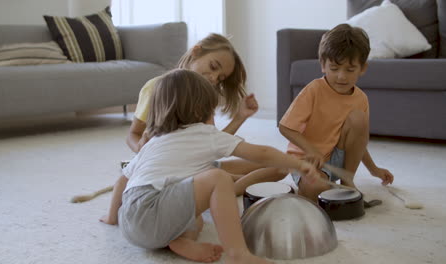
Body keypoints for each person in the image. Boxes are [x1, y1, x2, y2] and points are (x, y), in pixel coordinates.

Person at [102, 69, 318, 263]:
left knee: (194, 213)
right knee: (217, 178)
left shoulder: (154, 143)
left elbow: (123, 180)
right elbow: (260, 153)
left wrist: (112, 217)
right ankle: (238, 255)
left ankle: (179, 239)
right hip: (151, 213)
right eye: (212, 112)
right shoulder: (205, 134)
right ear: (200, 112)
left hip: (129, 222)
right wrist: (298, 163)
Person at [125, 33, 287, 195]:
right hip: (168, 169)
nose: (214, 78)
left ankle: (232, 184)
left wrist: (240, 116)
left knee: (278, 167)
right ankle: (233, 186)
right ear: (196, 51)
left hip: (198, 164)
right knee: (227, 178)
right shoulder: (157, 87)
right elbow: (133, 134)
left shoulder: (204, 96)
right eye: (213, 67)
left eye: (220, 78)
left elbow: (212, 142)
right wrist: (141, 149)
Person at [279, 24, 394, 203]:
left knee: (358, 118)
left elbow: (358, 142)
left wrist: (374, 169)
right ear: (323, 65)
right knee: (317, 191)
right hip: (308, 161)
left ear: (362, 68)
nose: (342, 76)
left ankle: (347, 181)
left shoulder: (361, 98)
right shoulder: (314, 90)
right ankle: (314, 185)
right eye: (334, 68)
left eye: (350, 70)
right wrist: (312, 150)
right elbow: (285, 127)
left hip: (337, 159)